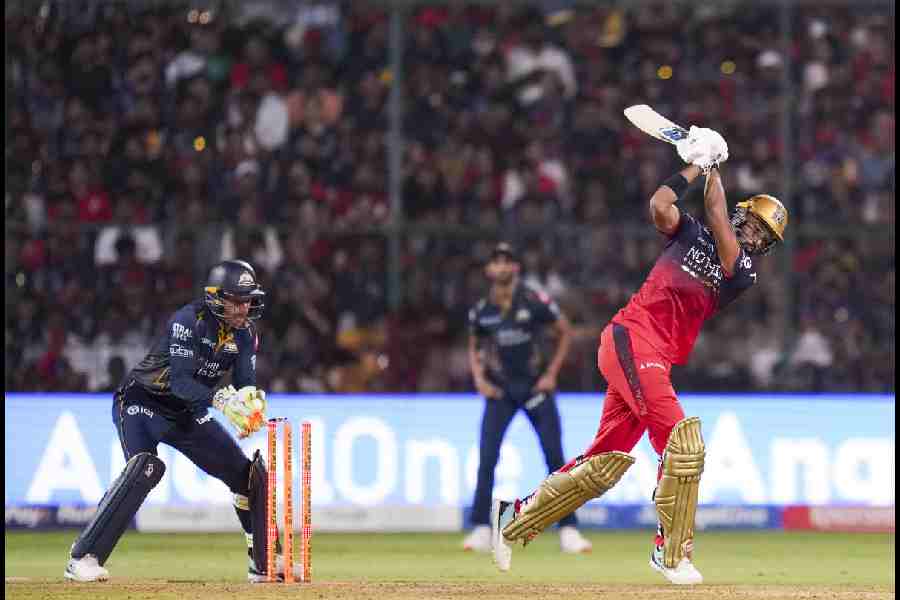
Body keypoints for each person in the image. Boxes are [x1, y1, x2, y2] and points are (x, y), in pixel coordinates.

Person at [489, 127, 788, 584]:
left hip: (653, 357)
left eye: (766, 237)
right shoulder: (686, 233)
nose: (758, 238)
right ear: (743, 213)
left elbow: (721, 225)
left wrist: (712, 170)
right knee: (683, 444)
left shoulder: (742, 270)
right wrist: (696, 165)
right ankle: (670, 553)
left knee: (602, 465)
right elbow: (659, 205)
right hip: (632, 338)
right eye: (757, 225)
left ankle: (511, 519)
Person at [65, 260, 294, 583]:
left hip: (186, 413)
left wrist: (251, 403)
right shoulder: (189, 322)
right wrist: (221, 400)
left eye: (248, 300)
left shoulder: (245, 333)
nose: (245, 308)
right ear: (216, 298)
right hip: (142, 402)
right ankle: (82, 558)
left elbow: (245, 381)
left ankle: (264, 561)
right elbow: (180, 383)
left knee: (248, 476)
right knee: (145, 467)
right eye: (237, 300)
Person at [463, 242, 592, 554]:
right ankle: (481, 528)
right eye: (496, 261)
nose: (502, 266)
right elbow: (475, 344)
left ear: (515, 268)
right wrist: (480, 380)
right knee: (487, 457)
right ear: (489, 270)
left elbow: (564, 331)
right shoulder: (482, 310)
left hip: (535, 387)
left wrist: (550, 375)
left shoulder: (533, 300)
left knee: (554, 458)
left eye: (507, 260)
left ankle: (569, 531)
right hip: (501, 390)